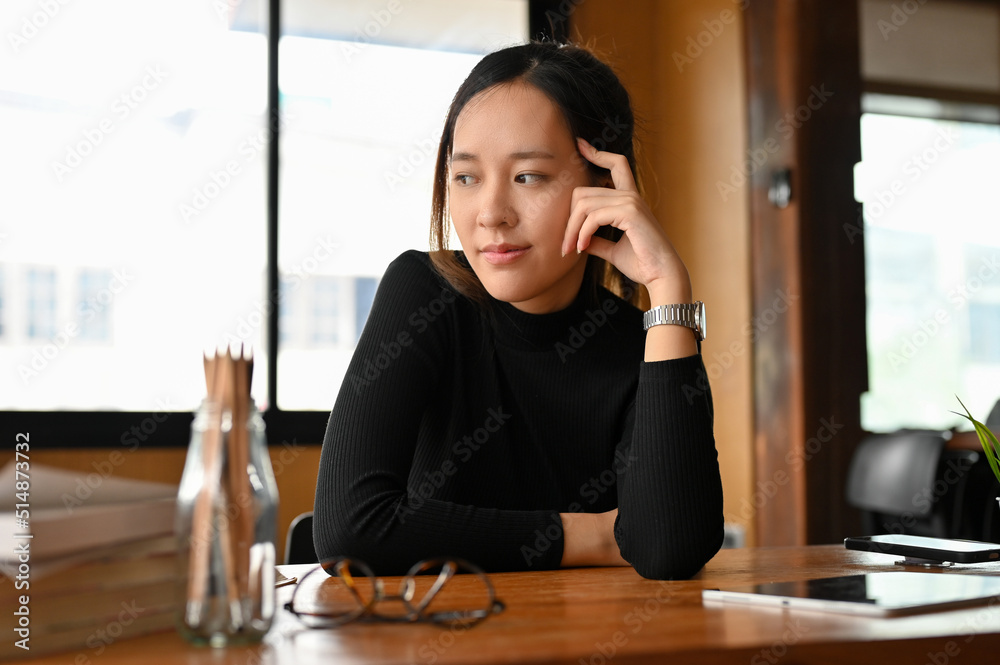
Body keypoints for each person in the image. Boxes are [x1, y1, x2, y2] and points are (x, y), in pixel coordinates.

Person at [313, 41, 724, 580]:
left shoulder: (643, 342)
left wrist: (667, 289)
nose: (491, 214)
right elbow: (350, 530)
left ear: (602, 187)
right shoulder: (425, 293)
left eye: (527, 176)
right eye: (466, 177)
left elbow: (670, 547)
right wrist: (597, 535)